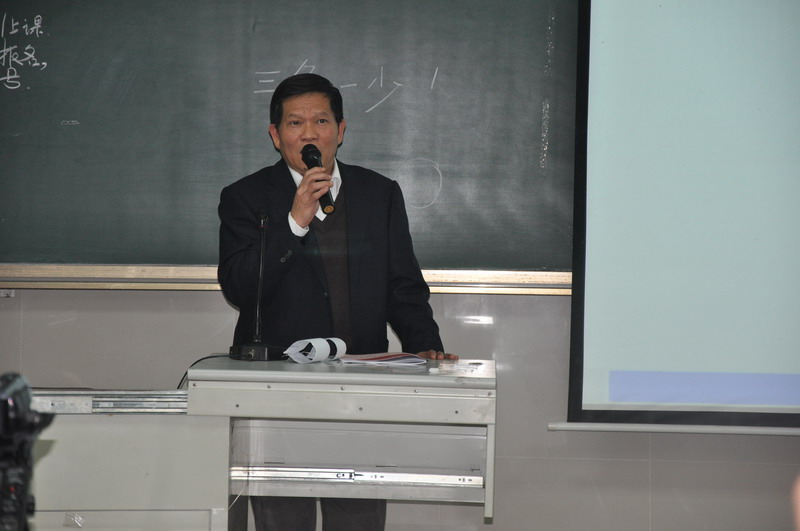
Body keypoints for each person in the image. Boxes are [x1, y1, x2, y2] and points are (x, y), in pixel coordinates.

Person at [217, 73, 456, 531]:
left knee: (358, 516)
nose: (309, 134)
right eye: (295, 123)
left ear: (341, 131)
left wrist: (425, 346)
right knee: (282, 520)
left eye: (321, 121)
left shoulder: (379, 193)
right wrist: (294, 222)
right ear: (276, 135)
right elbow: (240, 289)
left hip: (360, 391)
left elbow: (403, 286)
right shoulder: (245, 197)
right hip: (276, 393)